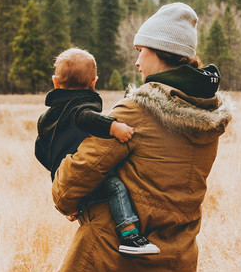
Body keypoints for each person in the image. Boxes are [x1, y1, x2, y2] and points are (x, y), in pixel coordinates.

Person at [48, 2, 231, 272]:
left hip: (114, 265)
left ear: (162, 54)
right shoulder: (206, 117)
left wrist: (66, 191)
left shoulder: (135, 112)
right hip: (173, 265)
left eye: (142, 50)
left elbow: (71, 182)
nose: (136, 60)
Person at [35, 47, 159, 255]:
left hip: (62, 176)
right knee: (115, 186)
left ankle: (76, 205)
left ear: (55, 83)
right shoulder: (80, 106)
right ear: (94, 82)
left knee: (91, 200)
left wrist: (57, 170)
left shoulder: (48, 117)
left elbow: (40, 150)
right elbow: (85, 117)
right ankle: (129, 235)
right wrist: (114, 127)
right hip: (81, 174)